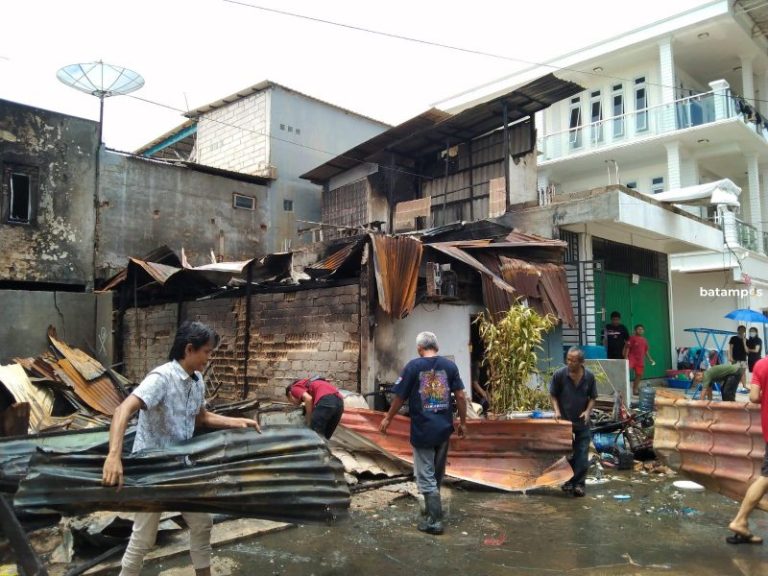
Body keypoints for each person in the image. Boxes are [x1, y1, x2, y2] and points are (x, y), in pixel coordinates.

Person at [102, 321, 261, 576]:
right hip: (154, 470)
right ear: (189, 349)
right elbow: (123, 410)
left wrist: (236, 421)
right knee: (144, 538)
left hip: (182, 467)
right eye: (207, 352)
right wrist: (113, 456)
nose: (208, 359)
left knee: (202, 523)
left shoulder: (197, 381)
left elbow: (201, 418)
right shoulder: (161, 378)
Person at [379, 331, 467, 535]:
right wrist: (463, 423)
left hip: (423, 430)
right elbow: (461, 397)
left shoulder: (413, 366)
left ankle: (435, 521)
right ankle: (431, 511)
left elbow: (399, 397)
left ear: (420, 348)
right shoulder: (450, 366)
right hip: (444, 429)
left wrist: (388, 418)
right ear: (436, 346)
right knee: (436, 473)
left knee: (425, 475)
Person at [727, 355, 768, 545]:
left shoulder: (761, 364)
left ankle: (741, 521)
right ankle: (740, 520)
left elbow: (753, 397)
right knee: (766, 478)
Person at [550, 347, 597, 498]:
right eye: (568, 359)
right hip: (565, 422)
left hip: (582, 422)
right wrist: (556, 411)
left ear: (581, 362)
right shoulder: (559, 375)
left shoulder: (589, 377)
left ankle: (579, 484)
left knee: (582, 454)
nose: (569, 362)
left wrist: (588, 411)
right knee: (568, 455)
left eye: (573, 360)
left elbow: (593, 397)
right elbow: (553, 395)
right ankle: (568, 481)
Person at [624, 324, 656, 396]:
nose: (640, 330)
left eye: (642, 329)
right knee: (626, 372)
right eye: (638, 329)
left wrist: (650, 359)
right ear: (635, 330)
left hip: (640, 360)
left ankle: (635, 389)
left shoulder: (644, 340)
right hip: (632, 358)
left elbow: (646, 351)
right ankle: (624, 389)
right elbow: (628, 348)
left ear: (643, 331)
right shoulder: (632, 338)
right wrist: (626, 358)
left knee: (639, 374)